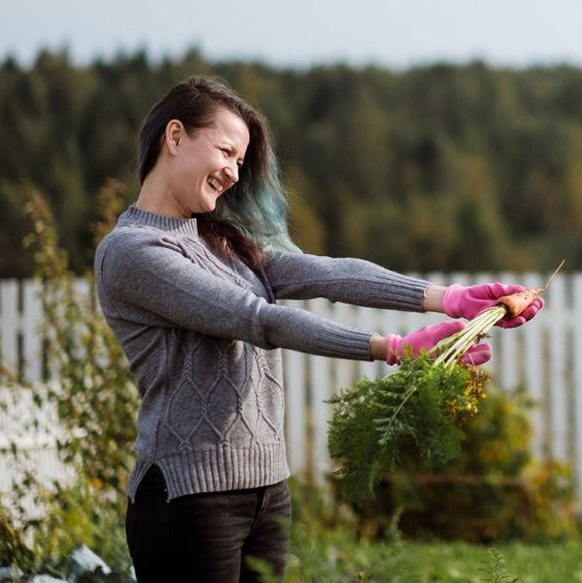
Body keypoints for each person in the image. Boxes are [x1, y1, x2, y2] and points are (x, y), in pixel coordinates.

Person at [95, 75, 542, 582]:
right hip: (187, 494)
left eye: (241, 162)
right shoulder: (133, 252)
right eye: (225, 151)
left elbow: (324, 273)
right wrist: (392, 349)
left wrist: (450, 300)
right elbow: (257, 319)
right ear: (174, 137)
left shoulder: (223, 242)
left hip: (265, 487)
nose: (233, 174)